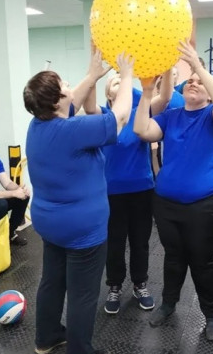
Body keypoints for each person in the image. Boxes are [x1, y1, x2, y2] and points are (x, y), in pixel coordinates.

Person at [23, 49, 134, 354]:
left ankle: (46, 338)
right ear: (57, 100)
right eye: (65, 85)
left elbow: (69, 103)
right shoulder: (73, 130)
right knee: (83, 295)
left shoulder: (38, 124)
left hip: (49, 224)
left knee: (52, 281)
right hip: (82, 231)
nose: (70, 87)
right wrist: (126, 76)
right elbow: (120, 117)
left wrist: (93, 74)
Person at [133, 40, 213, 341]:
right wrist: (147, 92)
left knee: (203, 262)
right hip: (166, 204)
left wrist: (198, 68)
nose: (193, 83)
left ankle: (212, 315)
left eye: (199, 82)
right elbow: (141, 130)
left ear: (208, 89)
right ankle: (168, 304)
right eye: (189, 81)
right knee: (173, 257)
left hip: (205, 206)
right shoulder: (171, 116)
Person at [83, 69, 173, 315]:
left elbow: (165, 97)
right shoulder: (103, 117)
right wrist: (93, 73)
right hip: (111, 193)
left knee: (140, 242)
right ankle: (114, 286)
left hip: (141, 190)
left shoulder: (140, 112)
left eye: (123, 81)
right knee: (114, 243)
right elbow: (88, 106)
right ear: (108, 94)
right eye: (115, 82)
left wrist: (166, 67)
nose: (122, 83)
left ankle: (140, 284)